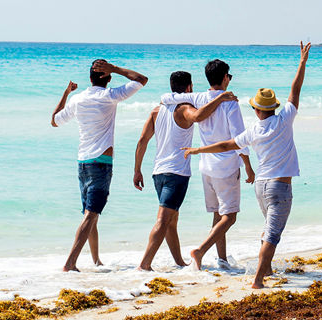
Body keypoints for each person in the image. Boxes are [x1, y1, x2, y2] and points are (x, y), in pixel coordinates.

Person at [183, 42, 310, 288]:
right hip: (279, 187)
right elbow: (295, 90)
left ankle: (268, 269)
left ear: (255, 109)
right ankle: (258, 280)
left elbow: (226, 145)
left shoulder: (253, 131)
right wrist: (302, 62)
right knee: (272, 235)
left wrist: (198, 149)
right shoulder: (284, 120)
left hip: (260, 188)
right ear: (273, 107)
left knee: (268, 228)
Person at [132, 71, 237, 271]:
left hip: (158, 172)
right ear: (188, 88)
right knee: (164, 219)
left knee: (171, 220)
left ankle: (179, 262)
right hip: (176, 173)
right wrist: (222, 97)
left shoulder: (157, 110)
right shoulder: (183, 109)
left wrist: (137, 170)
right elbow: (197, 116)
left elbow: (142, 140)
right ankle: (144, 265)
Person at [51, 59, 148, 272]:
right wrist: (115, 68)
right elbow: (142, 79)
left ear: (89, 78)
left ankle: (96, 261)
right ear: (109, 78)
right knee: (91, 215)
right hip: (101, 164)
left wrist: (67, 93)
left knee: (90, 213)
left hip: (83, 163)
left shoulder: (77, 99)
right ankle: (70, 263)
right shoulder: (109, 95)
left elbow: (55, 120)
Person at [159, 59, 256, 271]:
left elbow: (167, 97)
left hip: (206, 167)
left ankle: (222, 260)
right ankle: (200, 251)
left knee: (217, 215)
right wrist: (248, 165)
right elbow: (239, 138)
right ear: (224, 78)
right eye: (229, 76)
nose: (229, 80)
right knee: (229, 217)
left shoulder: (199, 97)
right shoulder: (229, 103)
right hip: (226, 167)